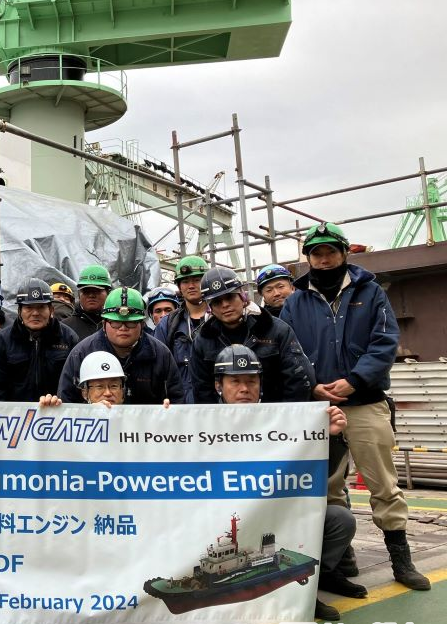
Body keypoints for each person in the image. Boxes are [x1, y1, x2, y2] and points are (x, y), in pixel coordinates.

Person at [280, 222, 430, 591]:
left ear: (344, 253)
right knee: (328, 488)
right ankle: (340, 557)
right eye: (316, 253)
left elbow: (385, 342)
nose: (324, 259)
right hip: (319, 409)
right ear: (308, 258)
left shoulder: (371, 293)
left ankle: (401, 560)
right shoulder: (295, 302)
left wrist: (355, 380)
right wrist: (312, 385)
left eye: (330, 251)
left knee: (383, 483)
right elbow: (288, 351)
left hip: (364, 402)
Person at [210, 345, 365, 621]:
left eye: (251, 381)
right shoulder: (199, 426)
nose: (244, 388)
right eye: (235, 381)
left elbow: (316, 474)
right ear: (218, 386)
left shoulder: (283, 421)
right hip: (226, 522)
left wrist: (332, 436)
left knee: (340, 520)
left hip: (281, 515)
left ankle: (316, 579)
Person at [189, 267, 314, 404]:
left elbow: (298, 380)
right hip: (225, 417)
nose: (225, 305)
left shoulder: (277, 330)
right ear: (210, 307)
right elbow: (202, 391)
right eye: (217, 301)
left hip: (275, 415)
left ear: (242, 296)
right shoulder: (202, 341)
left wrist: (282, 415)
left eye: (230, 297)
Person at [59, 287, 185, 406]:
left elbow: (177, 400)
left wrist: (169, 411)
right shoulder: (82, 353)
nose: (123, 328)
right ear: (104, 323)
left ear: (142, 324)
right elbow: (67, 403)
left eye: (130, 322)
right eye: (116, 322)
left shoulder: (160, 354)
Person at [0, 279, 79, 402]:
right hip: (14, 412)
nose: (35, 313)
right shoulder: (1, 341)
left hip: (56, 410)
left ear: (51, 310)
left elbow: (74, 386)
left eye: (41, 307)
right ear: (19, 311)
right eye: (29, 307)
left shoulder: (69, 338)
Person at [154, 255, 210, 404]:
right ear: (179, 286)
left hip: (216, 407)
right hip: (180, 406)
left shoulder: (220, 319)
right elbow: (158, 369)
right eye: (185, 281)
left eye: (196, 280)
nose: (191, 286)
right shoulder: (167, 325)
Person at [62, 264, 113, 341]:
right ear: (79, 294)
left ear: (108, 293)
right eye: (86, 291)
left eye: (97, 291)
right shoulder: (64, 328)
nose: (91, 295)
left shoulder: (119, 326)